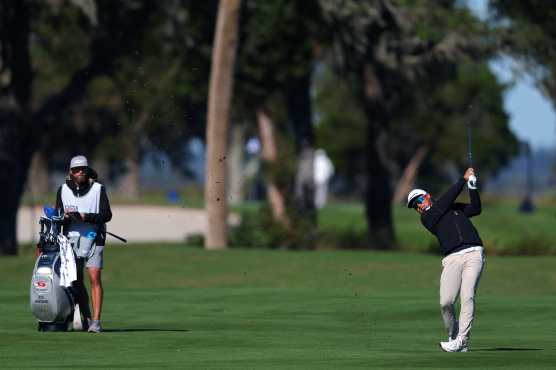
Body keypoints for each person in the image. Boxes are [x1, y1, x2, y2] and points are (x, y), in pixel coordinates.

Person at [407, 168, 485, 352]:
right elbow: (443, 204)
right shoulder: (428, 218)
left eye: (418, 200)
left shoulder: (454, 208)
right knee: (446, 302)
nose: (418, 206)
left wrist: (472, 187)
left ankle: (462, 341)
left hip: (474, 253)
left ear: (428, 196)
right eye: (414, 206)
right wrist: (462, 180)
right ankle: (453, 334)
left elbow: (476, 208)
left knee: (468, 296)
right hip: (451, 259)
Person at [55, 155, 112, 333]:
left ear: (87, 171)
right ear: (71, 172)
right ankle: (86, 317)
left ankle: (96, 322)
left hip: (95, 238)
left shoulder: (98, 189)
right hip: (71, 240)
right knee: (76, 281)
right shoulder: (62, 190)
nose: (80, 172)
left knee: (94, 277)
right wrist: (64, 218)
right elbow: (57, 218)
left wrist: (85, 216)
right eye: (76, 169)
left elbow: (107, 215)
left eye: (83, 169)